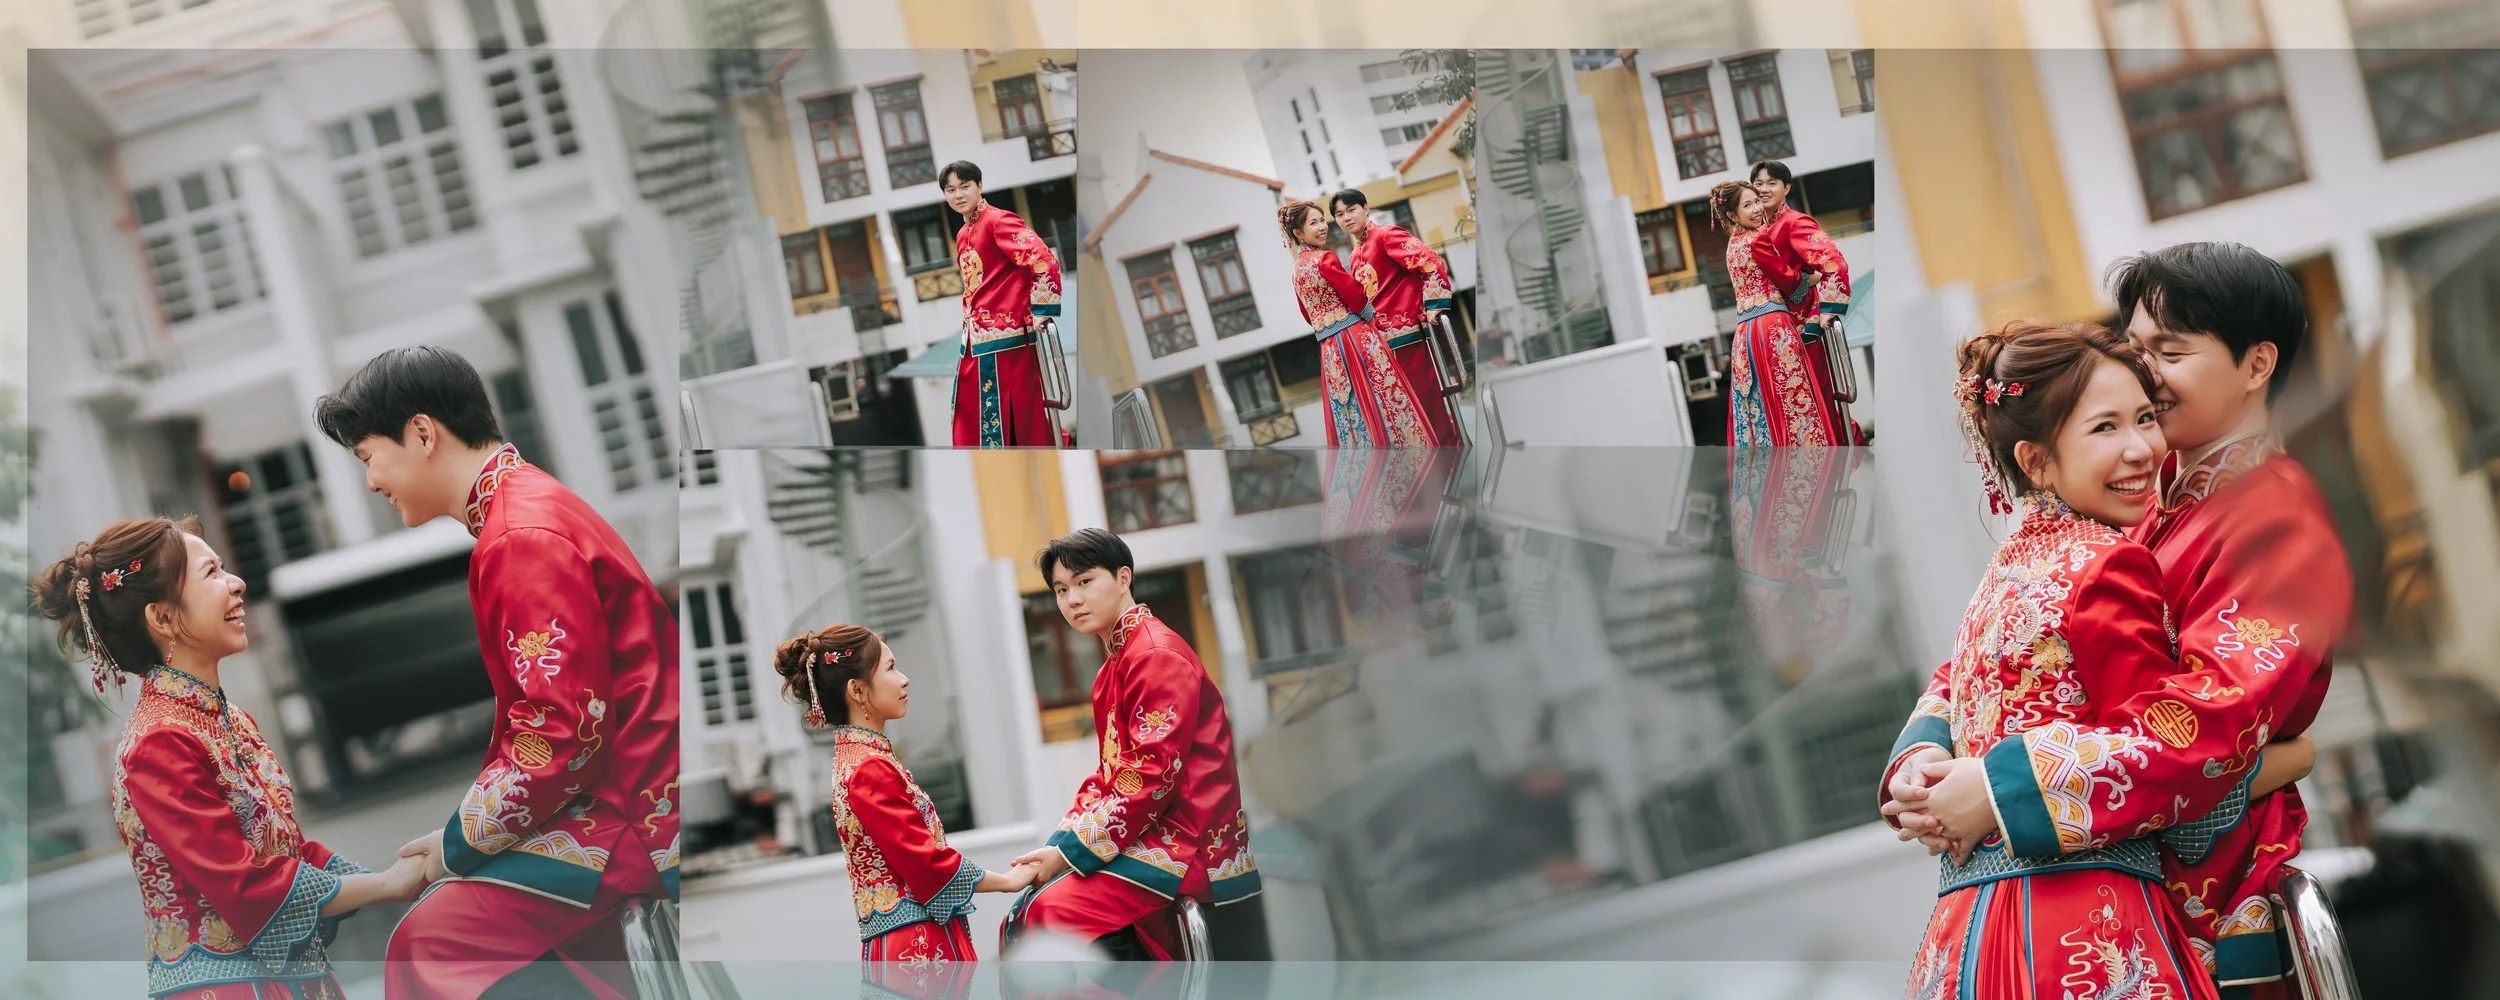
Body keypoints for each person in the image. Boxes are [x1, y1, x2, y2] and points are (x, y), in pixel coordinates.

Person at [1874, 321, 2316, 1000]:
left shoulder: (2008, 567)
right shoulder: (2109, 563)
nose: (2142, 448)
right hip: (2082, 925)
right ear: (2037, 461)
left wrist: (1919, 768)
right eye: (2105, 428)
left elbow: (1958, 685)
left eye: (2146, 417)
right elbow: (2165, 753)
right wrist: (2290, 758)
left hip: (1966, 934)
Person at [314, 346, 680, 999]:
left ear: (422, 433)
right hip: (628, 794)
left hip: (626, 812)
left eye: (368, 457)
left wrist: (459, 842)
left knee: (430, 945)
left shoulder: (518, 534)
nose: (371, 482)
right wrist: (460, 838)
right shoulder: (527, 508)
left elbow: (563, 733)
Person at [34, 516, 431, 999]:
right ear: (163, 618)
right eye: (212, 573)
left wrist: (407, 871)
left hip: (285, 981)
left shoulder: (224, 718)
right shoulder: (158, 742)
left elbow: (286, 853)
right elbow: (245, 885)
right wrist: (388, 885)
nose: (237, 583)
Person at [2107, 242, 2353, 996]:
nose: (2144, 372)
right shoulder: (2145, 499)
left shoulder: (2277, 517)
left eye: (2171, 351)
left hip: (2214, 894)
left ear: (2257, 364)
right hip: (2140, 881)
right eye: (2135, 349)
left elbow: (2210, 721)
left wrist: (2009, 788)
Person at [1004, 529, 1263, 959]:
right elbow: (1110, 777)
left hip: (1190, 843)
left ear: (1123, 578)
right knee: (1028, 909)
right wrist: (1057, 847)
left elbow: (1149, 777)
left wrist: (1067, 853)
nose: (1072, 600)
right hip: (1148, 836)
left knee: (1049, 915)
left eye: (1085, 582)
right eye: (1061, 590)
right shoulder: (1115, 666)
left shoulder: (1154, 655)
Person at [770, 624, 1035, 970]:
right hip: (917, 949)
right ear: (857, 690)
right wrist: (1007, 882)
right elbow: (925, 861)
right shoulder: (869, 768)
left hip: (904, 943)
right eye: (891, 668)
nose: (904, 679)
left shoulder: (856, 759)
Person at [1280, 200, 1443, 448]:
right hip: (1357, 338)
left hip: (1331, 347)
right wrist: (1368, 316)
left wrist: (1327, 324)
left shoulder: (1297, 271)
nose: (1323, 227)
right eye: (1314, 223)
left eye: (1323, 220)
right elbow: (1355, 295)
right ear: (1298, 233)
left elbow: (1306, 312)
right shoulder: (1327, 258)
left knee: (1355, 408)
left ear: (1366, 209)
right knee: (1387, 400)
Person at [1714, 181, 1848, 447]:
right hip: (1772, 328)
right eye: (1747, 205)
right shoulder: (1757, 239)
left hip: (1744, 335)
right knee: (1794, 401)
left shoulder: (1732, 246)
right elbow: (1788, 280)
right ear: (1732, 215)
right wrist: (1813, 277)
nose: (1756, 209)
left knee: (1760, 405)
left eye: (1756, 201)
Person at [945, 160, 1064, 448]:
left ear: (980, 186)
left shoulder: (998, 220)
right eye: (950, 190)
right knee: (968, 416)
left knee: (1013, 418)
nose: (958, 195)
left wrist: (1041, 309)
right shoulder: (962, 234)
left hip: (1007, 338)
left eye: (964, 186)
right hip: (975, 340)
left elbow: (1044, 260)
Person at [1333, 188, 1462, 443]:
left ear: (1366, 208)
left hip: (1407, 335)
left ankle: (1450, 451)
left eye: (1351, 210)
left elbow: (1429, 261)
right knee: (1407, 412)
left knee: (1426, 403)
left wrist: (1434, 303)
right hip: (1382, 343)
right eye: (1339, 214)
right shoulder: (1355, 254)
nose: (1346, 218)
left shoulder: (1386, 235)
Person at [1746, 160, 1859, 443]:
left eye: (1772, 183)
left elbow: (1832, 262)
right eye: (1758, 184)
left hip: (1802, 329)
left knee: (1818, 402)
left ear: (1786, 188)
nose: (1764, 189)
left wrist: (1827, 310)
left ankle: (1844, 458)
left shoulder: (1794, 222)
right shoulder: (1758, 229)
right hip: (1777, 331)